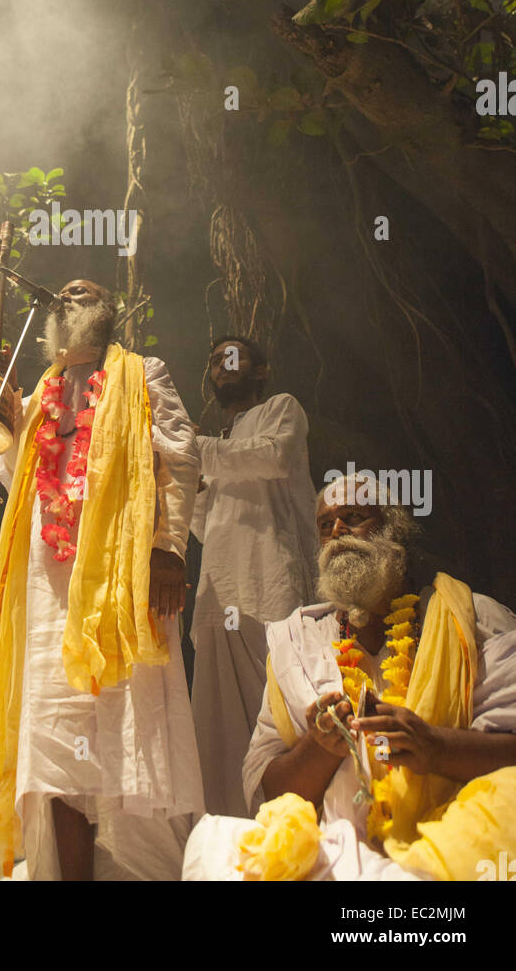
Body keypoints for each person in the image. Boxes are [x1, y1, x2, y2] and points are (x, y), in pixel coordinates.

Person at [0, 277, 203, 881]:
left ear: (104, 312)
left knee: (128, 716)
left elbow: (179, 456)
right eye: (61, 293)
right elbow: (18, 474)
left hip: (122, 572)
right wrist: (7, 406)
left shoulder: (142, 373)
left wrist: (168, 551)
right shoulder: (42, 388)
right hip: (47, 583)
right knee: (56, 731)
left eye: (82, 291)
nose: (67, 298)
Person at [183, 475, 516, 880]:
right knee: (214, 848)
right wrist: (319, 746)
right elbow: (267, 789)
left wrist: (435, 746)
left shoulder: (473, 621)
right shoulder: (296, 642)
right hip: (334, 853)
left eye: (353, 517)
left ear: (393, 530)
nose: (337, 531)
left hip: (452, 842)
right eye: (326, 525)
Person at [190, 335, 319, 816]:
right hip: (217, 594)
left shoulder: (282, 409)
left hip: (273, 588)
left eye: (232, 355)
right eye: (214, 358)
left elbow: (273, 457)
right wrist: (196, 485)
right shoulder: (216, 445)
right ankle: (229, 852)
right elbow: (206, 526)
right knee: (219, 737)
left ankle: (297, 837)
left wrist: (193, 449)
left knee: (287, 726)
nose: (221, 364)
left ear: (261, 371)